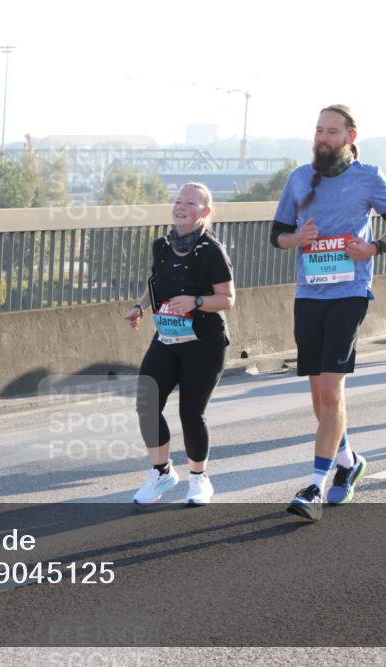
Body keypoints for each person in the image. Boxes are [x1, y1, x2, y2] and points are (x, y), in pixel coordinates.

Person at [270, 104, 386, 521]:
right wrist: (299, 237)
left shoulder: (368, 176)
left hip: (350, 293)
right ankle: (349, 461)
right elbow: (277, 235)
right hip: (309, 294)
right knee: (319, 396)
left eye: (331, 131)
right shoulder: (299, 178)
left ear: (350, 136)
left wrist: (375, 248)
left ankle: (315, 485)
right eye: (318, 130)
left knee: (331, 391)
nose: (323, 138)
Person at [124, 182, 235, 506]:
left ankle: (199, 479)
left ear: (205, 212)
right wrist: (139, 307)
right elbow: (154, 283)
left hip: (205, 342)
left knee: (190, 413)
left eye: (189, 202)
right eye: (177, 201)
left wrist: (196, 300)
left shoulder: (210, 250)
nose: (180, 206)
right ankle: (162, 473)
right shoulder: (162, 245)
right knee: (146, 403)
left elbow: (227, 298)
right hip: (167, 338)